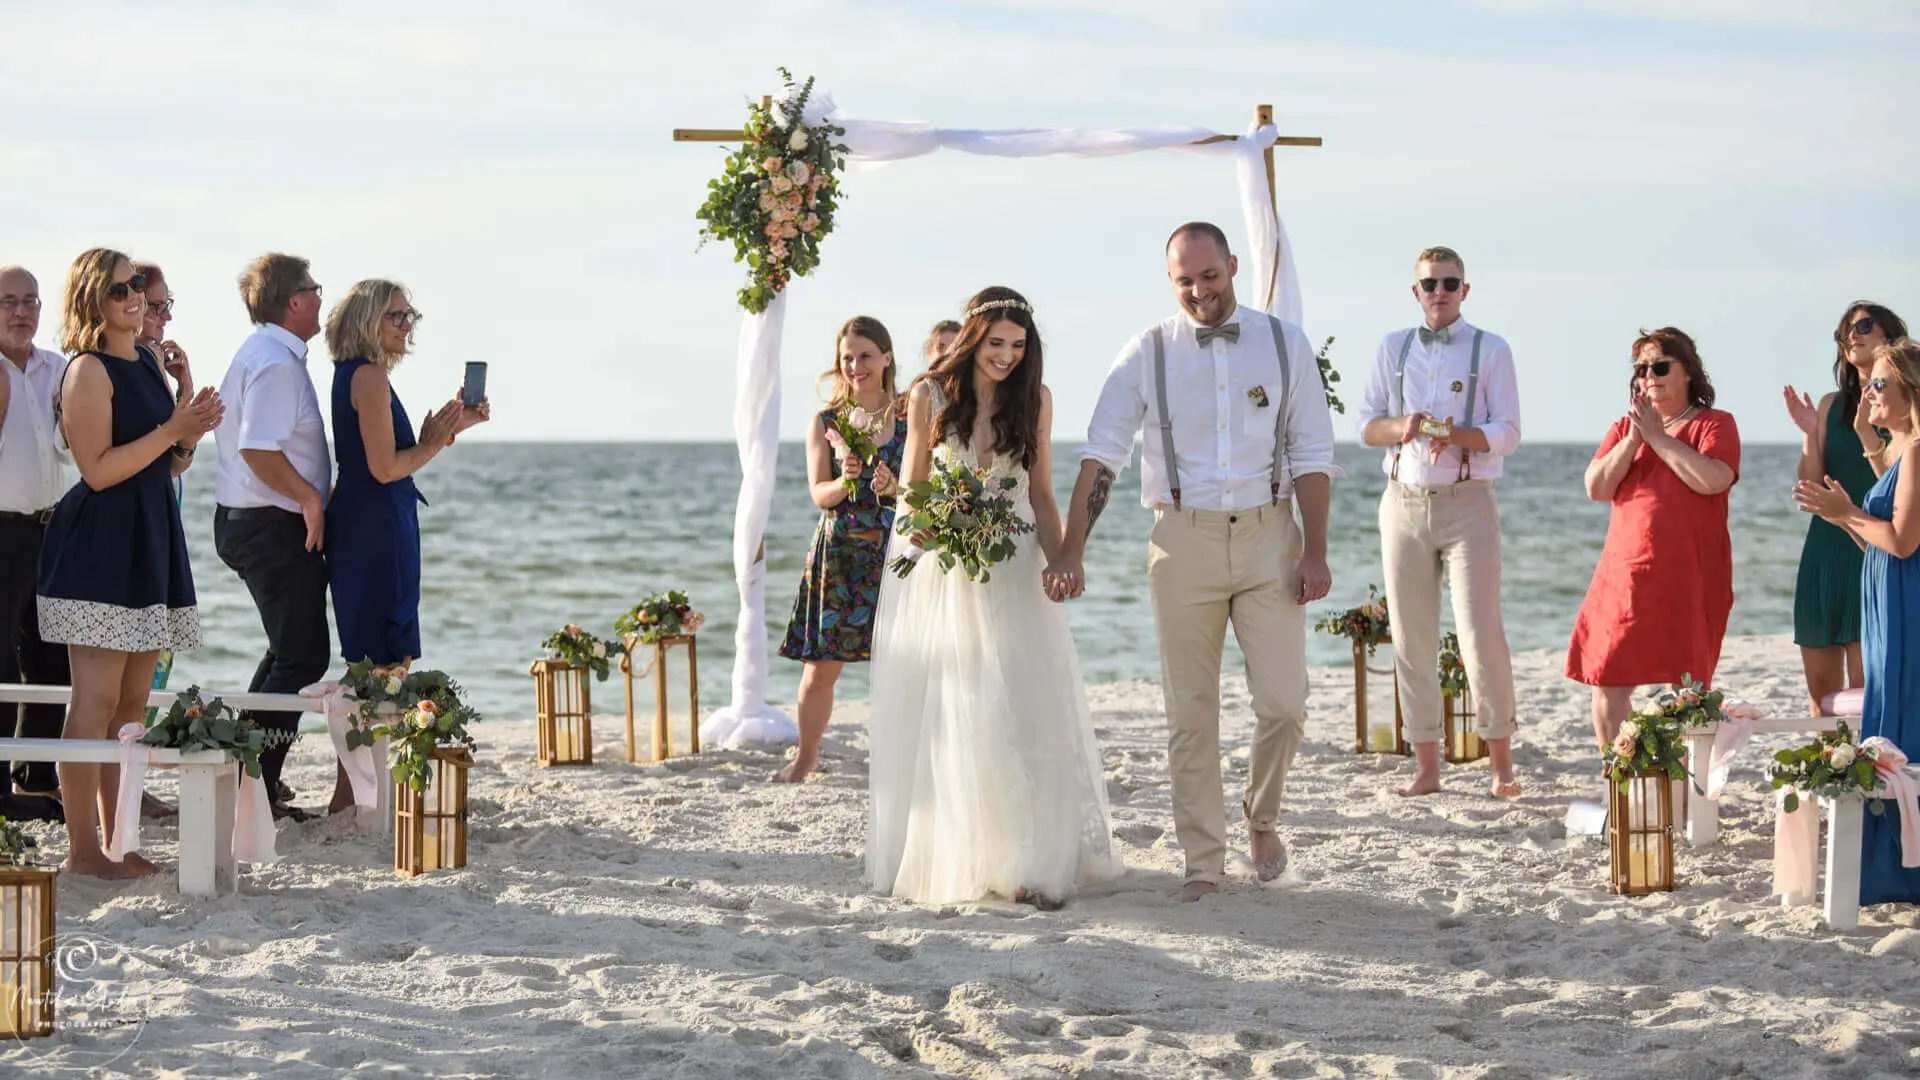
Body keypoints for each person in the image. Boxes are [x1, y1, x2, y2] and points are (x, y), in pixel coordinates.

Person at [1053, 223, 1336, 902]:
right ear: (1169, 280)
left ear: (1232, 265)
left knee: (1285, 703)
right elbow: (1104, 453)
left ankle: (1261, 817)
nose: (1199, 291)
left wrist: (1317, 550)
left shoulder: (1284, 343)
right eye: (1185, 280)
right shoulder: (1146, 351)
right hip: (1182, 540)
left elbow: (1312, 452)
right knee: (1191, 711)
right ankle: (1202, 861)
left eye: (1210, 276)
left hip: (1270, 534)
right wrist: (1071, 548)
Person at [867, 286, 1120, 909]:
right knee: (961, 709)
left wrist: (1062, 559)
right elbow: (914, 488)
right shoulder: (928, 395)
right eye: (997, 343)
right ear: (973, 339)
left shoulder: (1035, 399)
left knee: (1023, 704)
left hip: (1014, 560)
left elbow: (1040, 493)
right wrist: (928, 526)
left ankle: (1030, 859)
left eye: (1019, 345)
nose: (1007, 356)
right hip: (949, 570)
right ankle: (970, 852)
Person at [36, 249, 221, 876]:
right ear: (92, 298)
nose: (135, 296)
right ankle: (83, 851)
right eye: (120, 289)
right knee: (94, 700)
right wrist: (172, 428)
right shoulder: (86, 370)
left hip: (150, 537)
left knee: (133, 703)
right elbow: (98, 470)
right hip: (100, 545)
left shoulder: (145, 360)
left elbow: (168, 464)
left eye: (138, 284)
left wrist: (188, 420)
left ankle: (120, 841)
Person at [1354, 245, 1524, 798]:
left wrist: (1456, 435)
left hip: (1469, 503)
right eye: (1430, 284)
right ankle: (1427, 768)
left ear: (1465, 290)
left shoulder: (1491, 349)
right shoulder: (1392, 347)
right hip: (1401, 504)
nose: (1440, 293)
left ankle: (1501, 767)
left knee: (1480, 634)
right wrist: (1403, 425)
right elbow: (1366, 426)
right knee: (1410, 637)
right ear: (1416, 291)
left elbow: (1509, 432)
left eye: (1450, 283)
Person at [324, 280, 484, 811]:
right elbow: (385, 467)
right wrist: (433, 444)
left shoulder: (362, 374)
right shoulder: (367, 376)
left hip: (377, 522)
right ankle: (353, 797)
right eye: (396, 315)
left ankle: (355, 794)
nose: (406, 324)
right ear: (367, 320)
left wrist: (448, 429)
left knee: (378, 661)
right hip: (373, 528)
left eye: (409, 315)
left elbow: (391, 459)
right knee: (380, 661)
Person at [1793, 337, 1920, 904]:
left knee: (1902, 718)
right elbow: (1878, 542)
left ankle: (1902, 868)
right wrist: (1840, 517)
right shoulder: (1903, 448)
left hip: (1905, 605)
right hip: (1887, 602)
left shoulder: (1917, 452)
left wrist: (1848, 512)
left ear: (1911, 392)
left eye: (1880, 383)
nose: (1868, 390)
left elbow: (1902, 542)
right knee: (1888, 714)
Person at [1568, 328, 1739, 748]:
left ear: (1688, 372)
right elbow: (1596, 487)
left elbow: (1712, 479)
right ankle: (1618, 777)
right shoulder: (1624, 428)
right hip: (1625, 575)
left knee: (1687, 688)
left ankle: (1681, 785)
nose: (1649, 376)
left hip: (1689, 576)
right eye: (1642, 368)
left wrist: (1659, 439)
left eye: (1660, 366)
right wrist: (1634, 439)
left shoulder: (1714, 423)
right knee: (1608, 678)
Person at [213, 254, 331, 820]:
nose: (321, 297)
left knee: (289, 654)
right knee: (303, 658)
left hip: (258, 522)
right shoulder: (276, 362)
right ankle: (252, 786)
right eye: (314, 288)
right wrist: (309, 497)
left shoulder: (265, 352)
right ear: (294, 300)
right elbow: (257, 448)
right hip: (269, 525)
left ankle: (250, 777)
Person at [773, 316, 906, 783]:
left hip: (895, 555)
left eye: (865, 355)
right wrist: (846, 481)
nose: (855, 366)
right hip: (839, 556)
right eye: (847, 357)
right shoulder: (825, 421)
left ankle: (902, 762)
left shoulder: (912, 418)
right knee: (820, 671)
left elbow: (921, 491)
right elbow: (819, 494)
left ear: (887, 357)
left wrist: (893, 487)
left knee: (905, 666)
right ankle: (805, 758)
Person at [1782, 302, 1908, 716]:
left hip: (1874, 541)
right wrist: (1810, 434)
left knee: (1867, 686)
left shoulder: (1901, 407)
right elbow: (1811, 486)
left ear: (1890, 335)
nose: (1852, 335)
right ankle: (1829, 759)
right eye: (1844, 332)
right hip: (1826, 544)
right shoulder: (1831, 405)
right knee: (1820, 694)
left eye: (1864, 325)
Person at [0, 266, 68, 822]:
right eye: (7, 302)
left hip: (53, 529)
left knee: (52, 656)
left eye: (29, 301)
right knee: (1, 660)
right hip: (1, 530)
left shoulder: (59, 369)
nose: (20, 312)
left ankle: (35, 777)